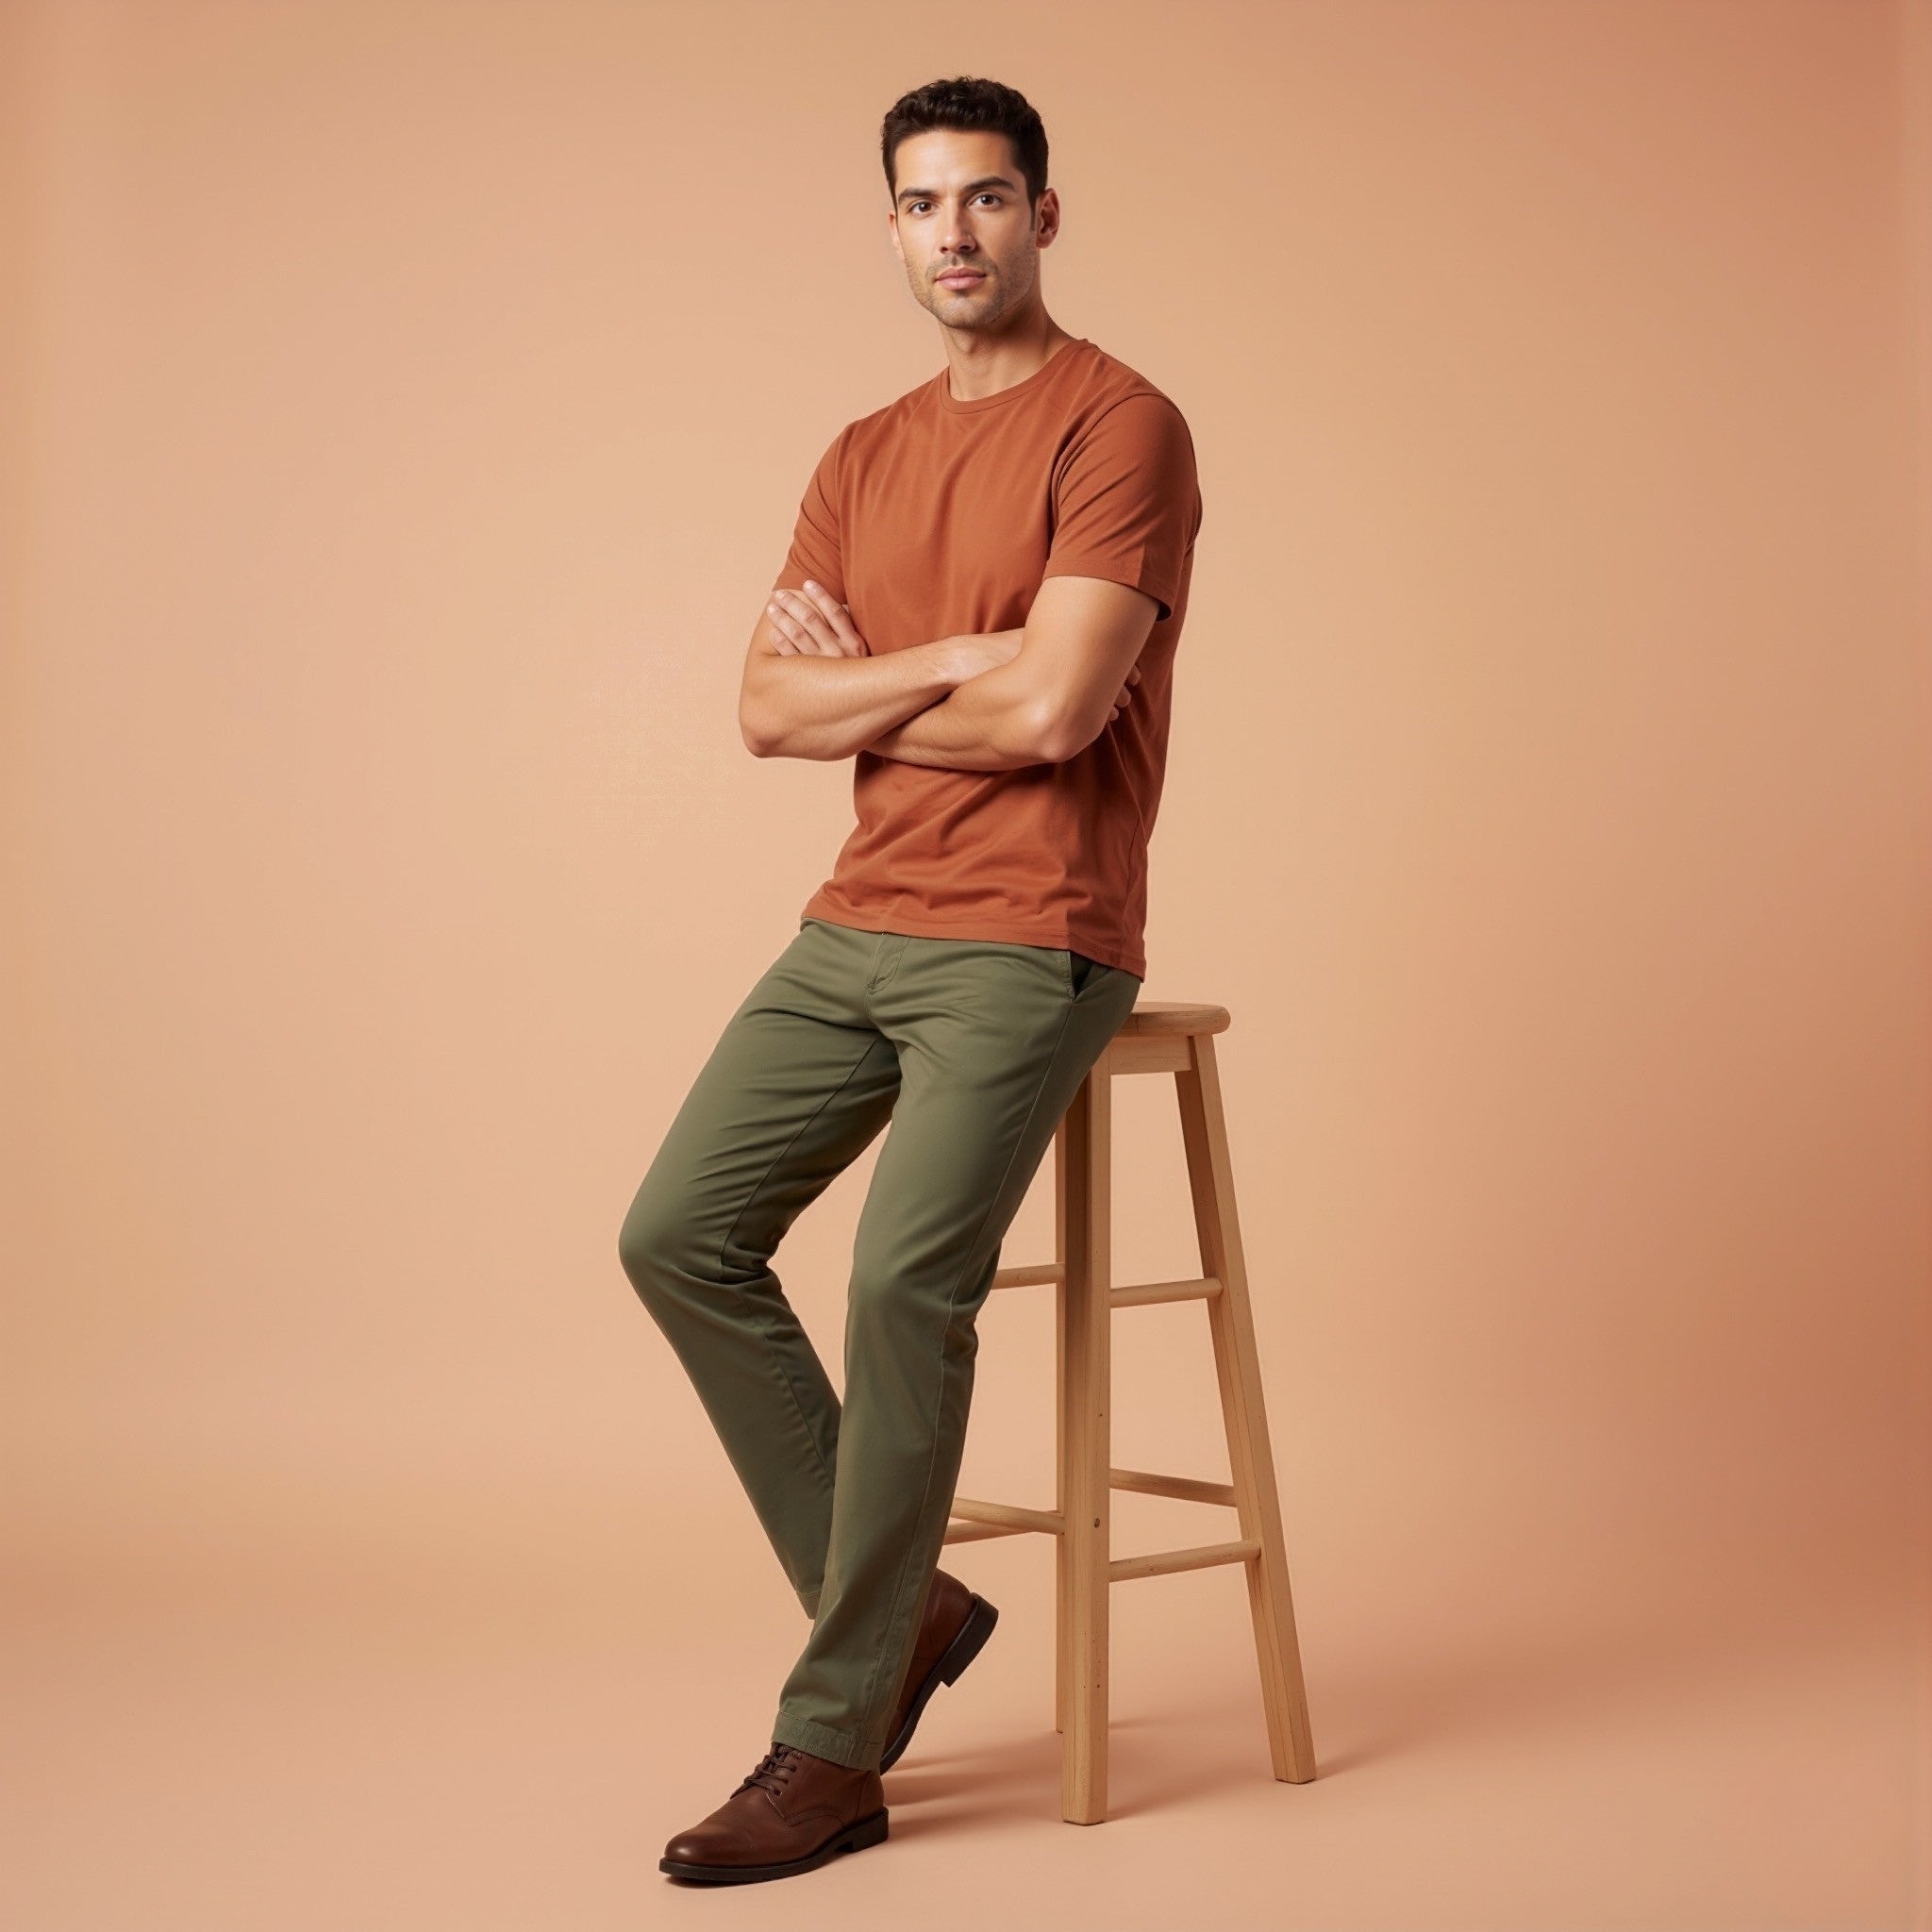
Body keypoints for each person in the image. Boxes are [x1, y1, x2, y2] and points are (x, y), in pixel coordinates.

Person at [618, 73, 1203, 1885]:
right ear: (892, 224)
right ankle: (911, 1608)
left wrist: (889, 685)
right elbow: (761, 712)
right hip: (857, 923)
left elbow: (1057, 712)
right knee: (676, 1237)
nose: (954, 235)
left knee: (896, 1288)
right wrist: (967, 642)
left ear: (1045, 213)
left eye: (988, 200)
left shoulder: (1124, 425)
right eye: (921, 205)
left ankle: (832, 1741)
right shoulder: (860, 452)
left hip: (1036, 934)